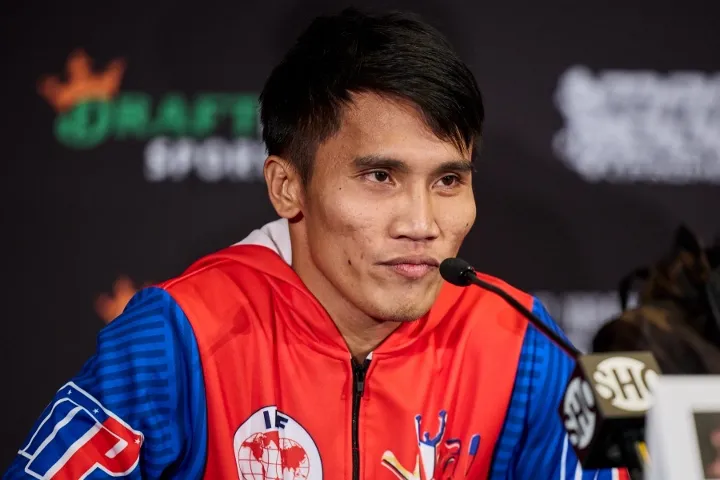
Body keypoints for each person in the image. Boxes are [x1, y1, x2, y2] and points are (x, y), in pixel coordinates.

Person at [5, 8, 627, 480]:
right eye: (379, 177)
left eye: (447, 181)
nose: (422, 223)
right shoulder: (176, 338)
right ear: (287, 187)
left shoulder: (523, 344)